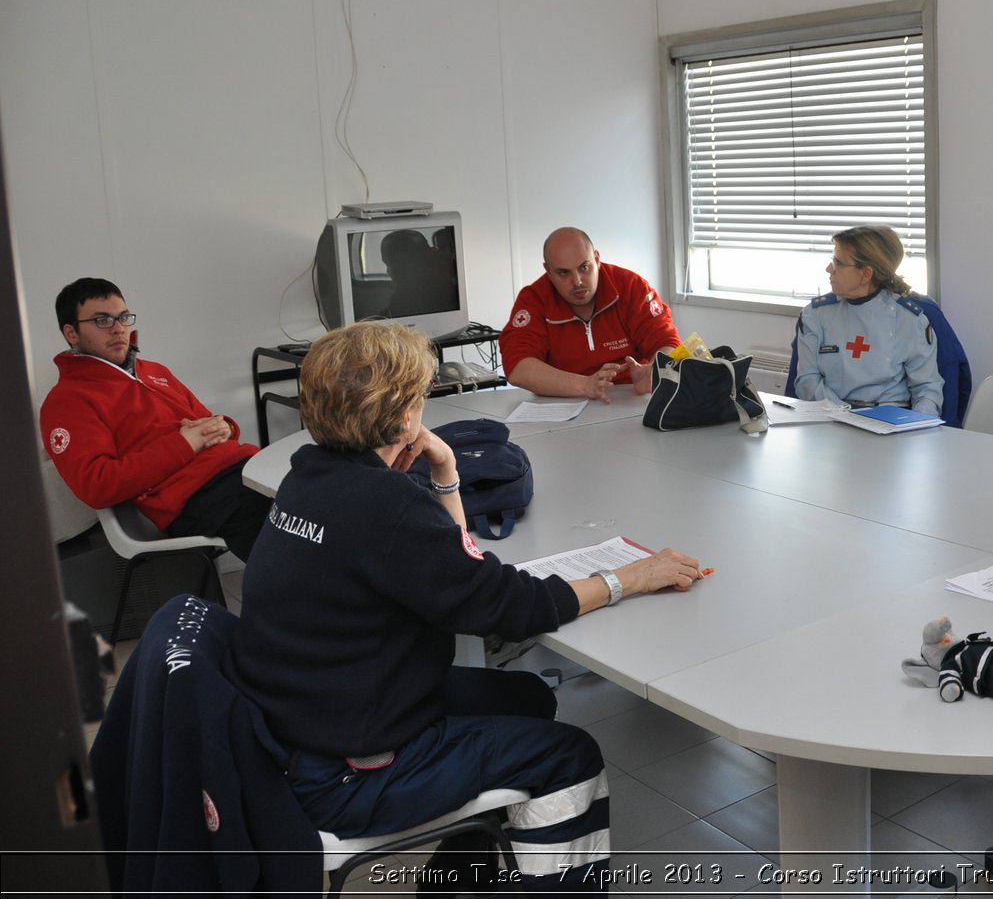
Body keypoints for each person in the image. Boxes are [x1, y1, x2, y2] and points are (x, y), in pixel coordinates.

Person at [230, 321, 704, 892]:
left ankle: (459, 881)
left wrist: (446, 475)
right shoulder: (386, 507)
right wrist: (630, 576)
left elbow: (463, 576)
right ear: (406, 414)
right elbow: (505, 608)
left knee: (525, 697)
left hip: (302, 726)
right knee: (569, 755)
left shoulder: (310, 476)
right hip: (347, 772)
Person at [40, 277, 269, 561]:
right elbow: (97, 485)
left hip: (241, 467)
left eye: (123, 317)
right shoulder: (66, 401)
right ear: (71, 333)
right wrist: (184, 444)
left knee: (321, 482)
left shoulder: (153, 371)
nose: (119, 329)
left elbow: (206, 422)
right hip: (196, 496)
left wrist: (225, 427)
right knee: (296, 529)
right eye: (102, 321)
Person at [500, 227, 680, 403]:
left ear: (597, 259)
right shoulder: (534, 299)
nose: (577, 282)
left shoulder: (631, 287)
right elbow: (518, 367)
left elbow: (667, 342)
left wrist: (655, 372)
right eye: (563, 273)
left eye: (584, 267)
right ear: (548, 271)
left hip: (630, 400)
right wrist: (586, 386)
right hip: (563, 404)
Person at [793, 226, 943, 416]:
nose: (829, 269)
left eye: (838, 262)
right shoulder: (815, 314)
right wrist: (844, 415)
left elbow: (927, 388)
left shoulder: (909, 320)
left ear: (865, 274)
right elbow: (807, 380)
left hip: (890, 420)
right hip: (830, 417)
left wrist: (917, 426)